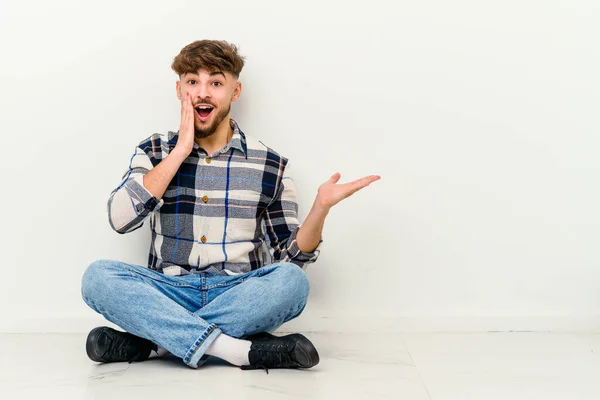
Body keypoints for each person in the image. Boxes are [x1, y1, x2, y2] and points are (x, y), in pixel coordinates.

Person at [80, 39, 381, 372]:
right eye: (192, 81)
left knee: (292, 285)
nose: (203, 92)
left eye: (216, 82)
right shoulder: (155, 150)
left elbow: (291, 261)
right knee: (97, 278)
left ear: (235, 91)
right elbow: (120, 218)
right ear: (179, 91)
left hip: (238, 292)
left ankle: (156, 344)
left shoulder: (270, 164)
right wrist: (180, 152)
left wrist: (321, 208)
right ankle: (238, 351)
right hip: (169, 290)